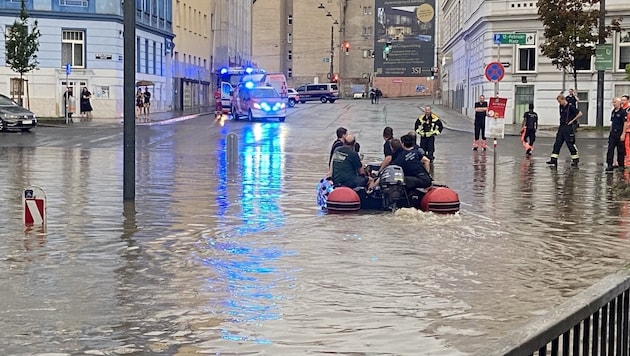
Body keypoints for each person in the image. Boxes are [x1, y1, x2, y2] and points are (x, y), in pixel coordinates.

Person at [546, 95, 582, 167]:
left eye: (560, 101)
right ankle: (554, 159)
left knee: (570, 144)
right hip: (561, 127)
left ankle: (575, 159)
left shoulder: (570, 107)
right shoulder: (561, 107)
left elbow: (580, 113)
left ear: (563, 100)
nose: (559, 103)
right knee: (557, 143)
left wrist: (572, 121)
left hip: (568, 127)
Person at [606, 97, 626, 173]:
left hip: (619, 132)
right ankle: (609, 164)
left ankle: (621, 165)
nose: (614, 104)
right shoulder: (613, 111)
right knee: (610, 149)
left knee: (620, 150)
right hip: (613, 133)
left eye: (615, 102)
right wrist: (610, 132)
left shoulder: (622, 112)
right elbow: (612, 122)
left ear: (619, 103)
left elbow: (625, 123)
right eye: (613, 102)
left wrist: (623, 134)